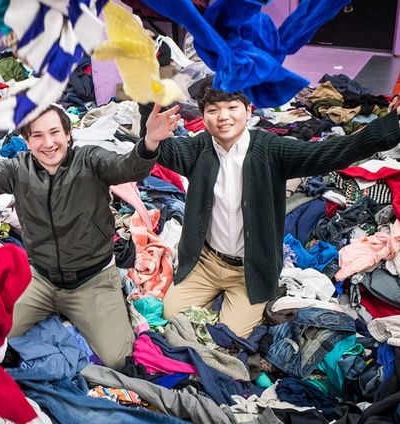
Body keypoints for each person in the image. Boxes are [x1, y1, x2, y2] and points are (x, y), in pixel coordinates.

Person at [0, 104, 178, 368]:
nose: (48, 143)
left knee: (121, 359)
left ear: (68, 135)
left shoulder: (91, 160)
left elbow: (127, 167)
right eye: (38, 135)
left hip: (92, 282)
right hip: (40, 280)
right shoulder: (18, 170)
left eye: (55, 132)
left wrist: (149, 142)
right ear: (27, 141)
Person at [142, 80, 400, 338]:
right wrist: (150, 129)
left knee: (231, 336)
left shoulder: (271, 149)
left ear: (248, 109)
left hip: (250, 270)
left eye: (232, 107)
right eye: (212, 110)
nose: (223, 117)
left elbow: (329, 152)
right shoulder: (198, 149)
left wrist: (389, 126)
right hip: (204, 263)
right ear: (203, 116)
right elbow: (160, 150)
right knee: (170, 319)